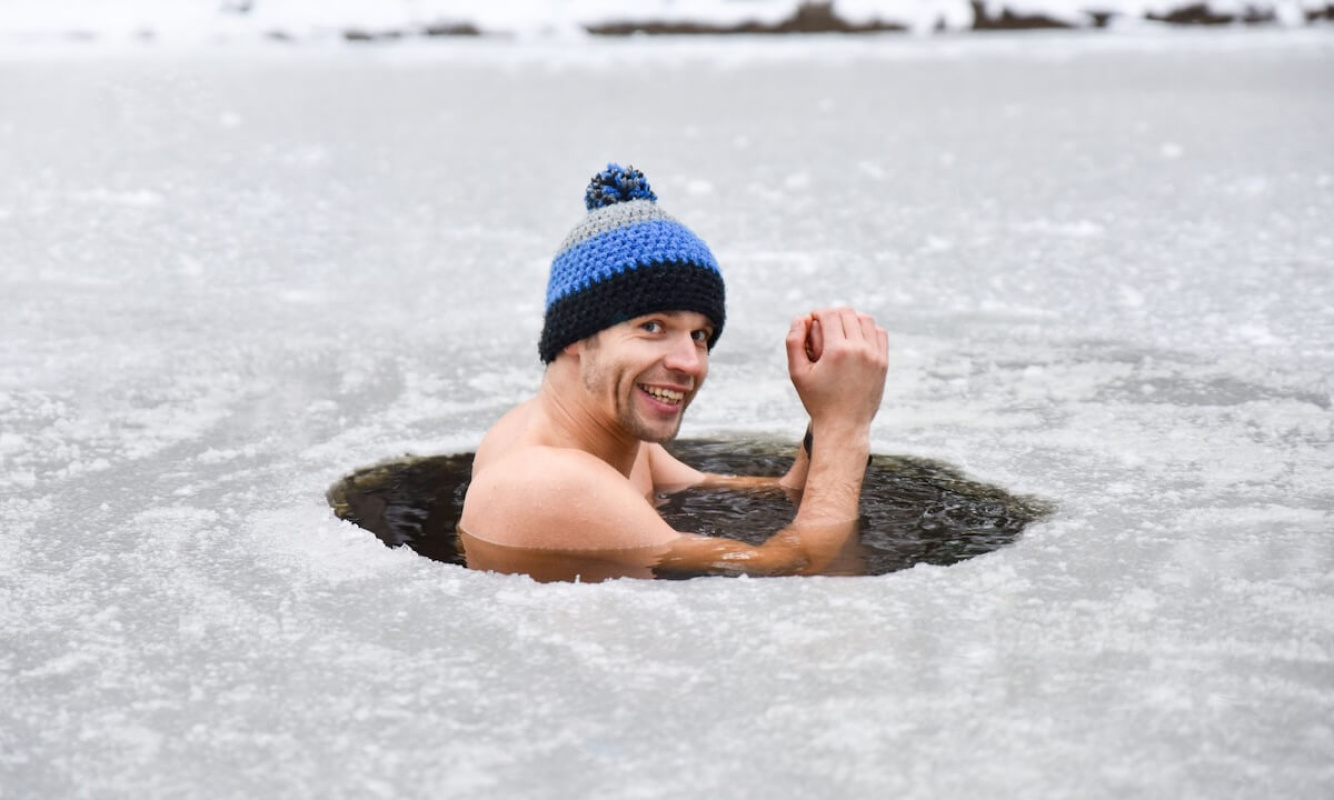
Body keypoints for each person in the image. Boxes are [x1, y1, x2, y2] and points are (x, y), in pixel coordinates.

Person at [458, 164, 888, 581]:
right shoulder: (547, 482)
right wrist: (844, 426)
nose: (690, 362)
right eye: (652, 327)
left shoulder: (609, 434)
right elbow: (793, 567)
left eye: (699, 334)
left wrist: (827, 410)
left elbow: (783, 493)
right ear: (574, 335)